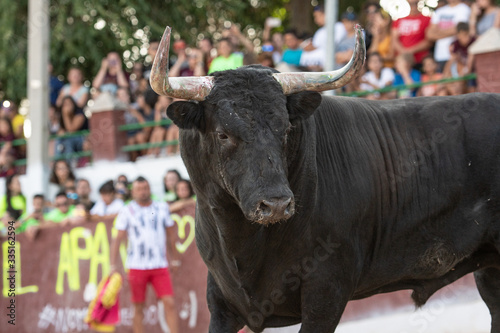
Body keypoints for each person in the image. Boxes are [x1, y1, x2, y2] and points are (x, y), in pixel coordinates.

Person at [110, 177, 180, 333]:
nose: (143, 192)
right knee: (138, 306)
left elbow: (171, 235)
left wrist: (174, 259)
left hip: (159, 264)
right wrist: (113, 265)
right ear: (133, 192)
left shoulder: (161, 207)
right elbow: (117, 239)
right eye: (139, 189)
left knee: (169, 302)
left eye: (146, 188)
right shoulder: (127, 210)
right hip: (136, 266)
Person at [426, 0, 471, 72]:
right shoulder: (439, 11)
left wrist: (437, 31)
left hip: (457, 55)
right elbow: (430, 34)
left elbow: (459, 30)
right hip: (439, 56)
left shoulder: (464, 9)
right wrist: (450, 31)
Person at [392, 0, 432, 68]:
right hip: (402, 61)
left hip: (420, 61)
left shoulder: (427, 19)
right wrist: (404, 52)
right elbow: (394, 39)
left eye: (415, 3)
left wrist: (409, 51)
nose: (413, 5)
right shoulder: (398, 20)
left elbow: (429, 41)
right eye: (411, 3)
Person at [443, 22, 476, 95]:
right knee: (449, 84)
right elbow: (451, 60)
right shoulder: (456, 44)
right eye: (462, 36)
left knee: (470, 88)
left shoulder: (473, 41)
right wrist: (445, 76)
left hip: (473, 71)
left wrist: (463, 74)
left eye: (466, 35)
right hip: (462, 69)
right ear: (457, 35)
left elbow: (470, 64)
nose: (465, 38)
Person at [56, 96, 89, 161]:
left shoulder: (79, 114)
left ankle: (69, 163)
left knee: (68, 140)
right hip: (71, 140)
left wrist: (65, 114)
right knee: (59, 140)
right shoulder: (60, 117)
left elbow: (71, 130)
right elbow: (60, 130)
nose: (67, 106)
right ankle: (57, 161)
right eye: (65, 104)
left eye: (69, 103)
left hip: (83, 139)